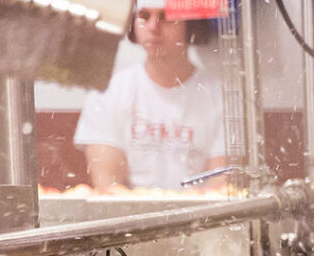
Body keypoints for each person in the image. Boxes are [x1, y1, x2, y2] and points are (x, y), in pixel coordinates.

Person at [74, 0, 230, 191]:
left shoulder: (220, 96)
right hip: (129, 217)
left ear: (191, 26)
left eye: (165, 17)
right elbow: (107, 184)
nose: (153, 27)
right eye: (144, 16)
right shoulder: (108, 92)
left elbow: (221, 182)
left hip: (202, 219)